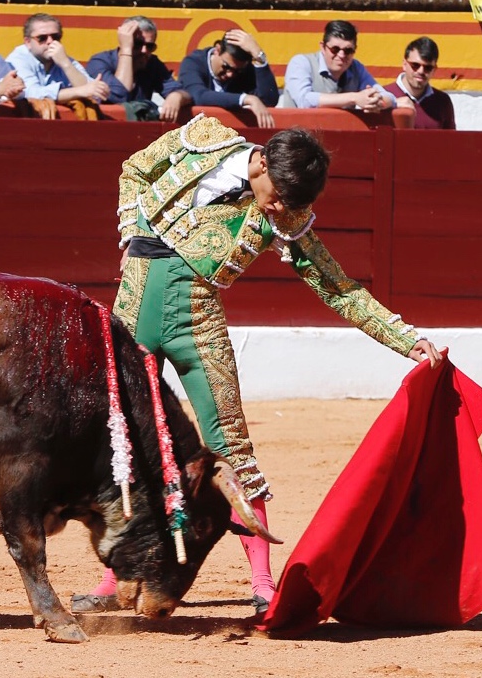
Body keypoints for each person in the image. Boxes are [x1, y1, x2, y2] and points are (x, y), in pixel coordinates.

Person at [71, 113, 441, 618]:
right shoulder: (203, 136)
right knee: (126, 446)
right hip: (130, 317)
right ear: (262, 161)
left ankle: (263, 581)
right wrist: (130, 232)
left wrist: (405, 339)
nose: (282, 208)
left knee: (230, 446)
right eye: (280, 194)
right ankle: (119, 575)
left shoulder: (281, 215)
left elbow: (337, 286)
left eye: (293, 202)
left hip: (197, 322)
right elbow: (135, 168)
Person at [86, 15, 191, 122]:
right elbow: (118, 97)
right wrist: (126, 50)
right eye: (137, 44)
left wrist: (176, 96)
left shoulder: (152, 63)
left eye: (149, 46)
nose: (144, 50)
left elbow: (186, 93)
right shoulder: (99, 62)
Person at [281, 19, 395, 112]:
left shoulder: (356, 67)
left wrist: (376, 102)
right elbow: (304, 101)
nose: (341, 55)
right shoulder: (301, 63)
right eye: (335, 49)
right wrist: (354, 98)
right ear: (323, 47)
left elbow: (390, 97)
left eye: (348, 50)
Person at [178, 28, 279, 128]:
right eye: (226, 66)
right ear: (217, 50)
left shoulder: (245, 70)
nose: (230, 74)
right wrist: (246, 99)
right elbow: (199, 95)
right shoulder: (194, 62)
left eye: (237, 71)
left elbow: (269, 100)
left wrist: (259, 57)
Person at [6, 13, 111, 105]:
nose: (50, 41)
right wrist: (78, 91)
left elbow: (94, 95)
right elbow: (31, 93)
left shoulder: (63, 58)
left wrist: (66, 64)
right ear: (28, 42)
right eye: (42, 38)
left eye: (55, 37)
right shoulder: (17, 60)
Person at [383, 37, 455, 130]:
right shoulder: (383, 95)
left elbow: (451, 142)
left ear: (434, 69)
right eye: (415, 65)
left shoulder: (442, 102)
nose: (421, 71)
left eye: (428, 67)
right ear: (404, 64)